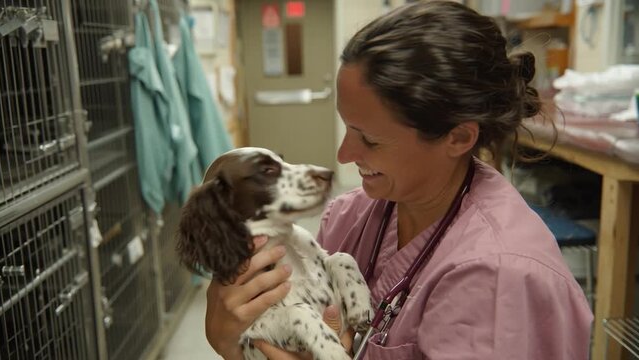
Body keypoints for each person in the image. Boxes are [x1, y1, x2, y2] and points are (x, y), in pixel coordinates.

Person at [205, 1, 594, 359]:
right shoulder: (349, 218)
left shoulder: (499, 279)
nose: (343, 155)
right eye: (348, 128)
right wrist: (228, 339)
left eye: (370, 139)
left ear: (458, 138)